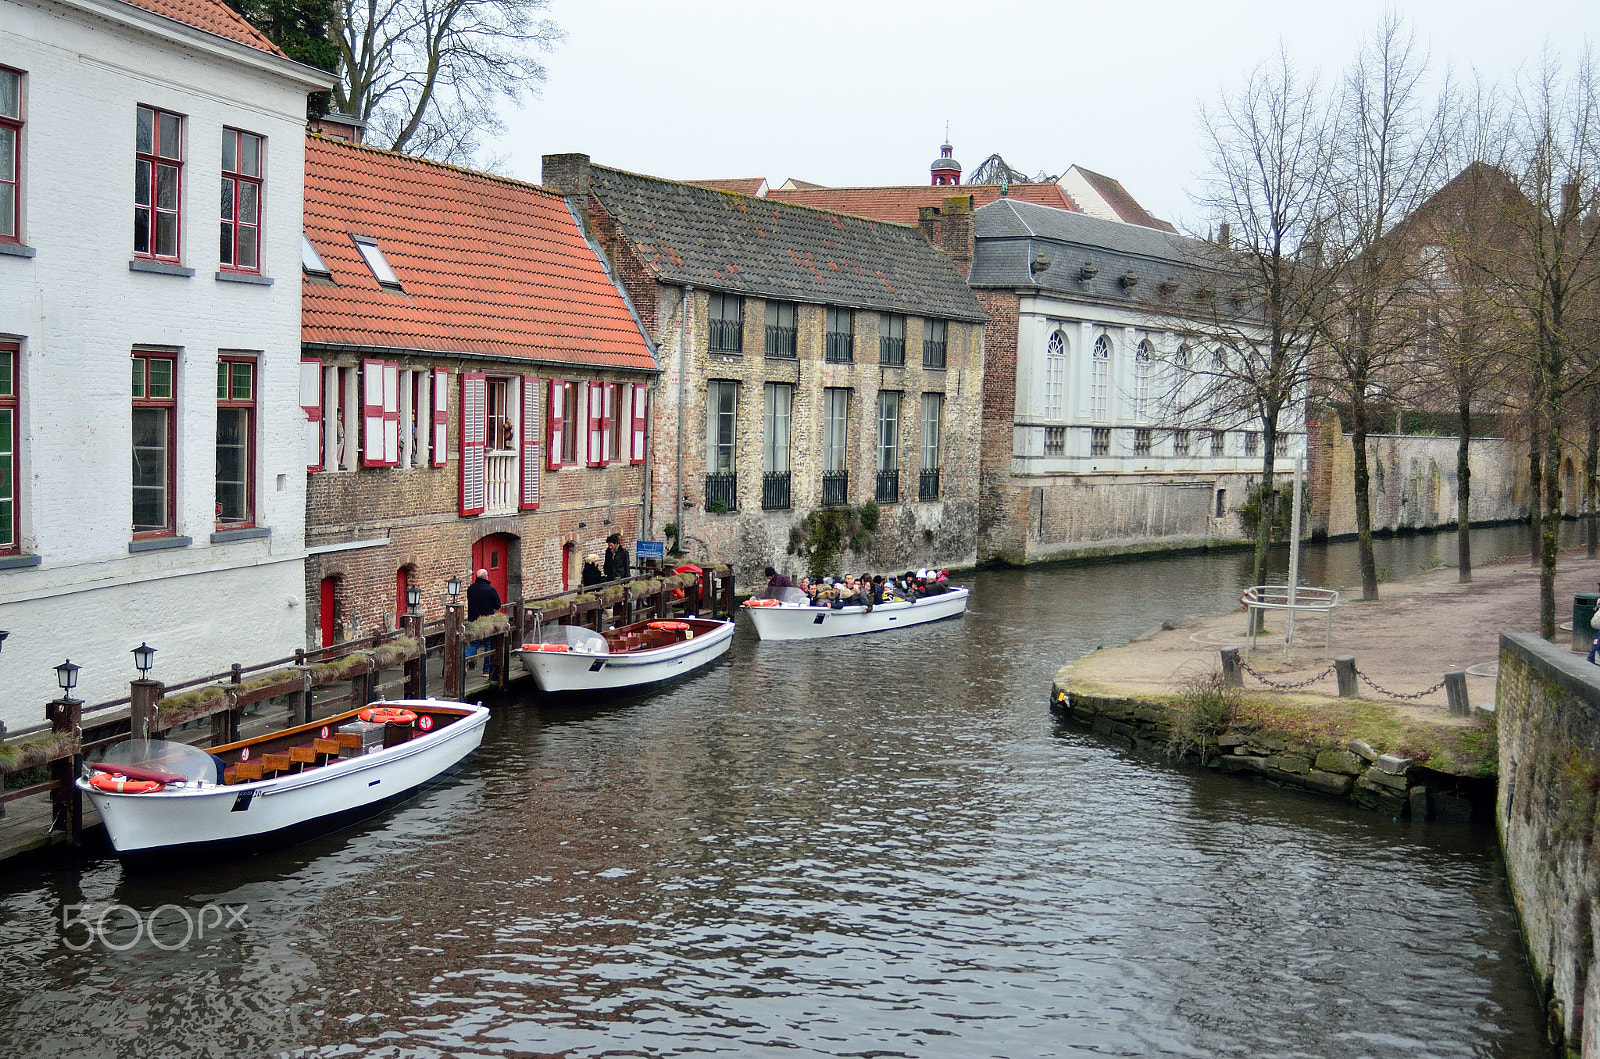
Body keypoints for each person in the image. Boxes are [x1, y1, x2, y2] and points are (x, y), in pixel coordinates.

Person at [465, 568, 502, 678]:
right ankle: (486, 670)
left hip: (473, 621)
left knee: (474, 643)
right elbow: (497, 605)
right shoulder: (490, 589)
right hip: (486, 621)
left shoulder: (470, 589)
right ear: (486, 577)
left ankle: (464, 660)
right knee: (488, 645)